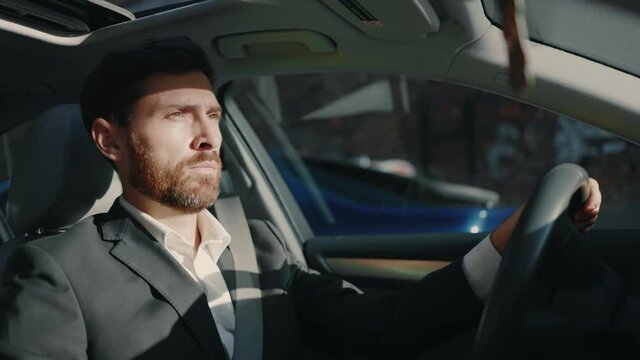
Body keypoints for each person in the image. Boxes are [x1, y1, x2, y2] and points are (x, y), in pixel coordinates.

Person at [0, 38, 601, 360]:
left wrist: (510, 238)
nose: (209, 135)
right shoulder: (56, 270)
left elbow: (381, 328)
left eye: (212, 113)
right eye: (178, 115)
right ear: (109, 140)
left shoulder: (258, 244)